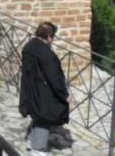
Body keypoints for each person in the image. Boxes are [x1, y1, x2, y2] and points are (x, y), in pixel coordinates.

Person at [19, 21, 70, 155]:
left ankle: (32, 140)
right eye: (53, 36)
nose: (53, 40)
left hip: (31, 88)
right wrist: (64, 93)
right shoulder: (47, 55)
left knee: (37, 114)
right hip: (43, 92)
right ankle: (38, 149)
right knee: (45, 118)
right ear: (48, 36)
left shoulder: (29, 47)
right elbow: (54, 78)